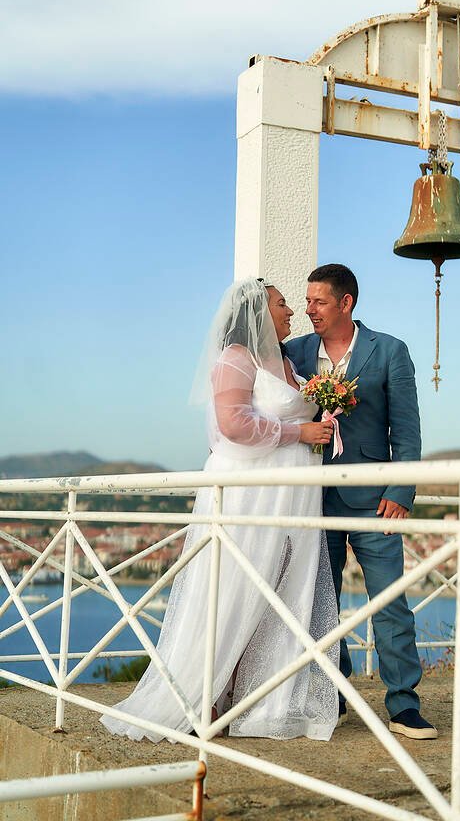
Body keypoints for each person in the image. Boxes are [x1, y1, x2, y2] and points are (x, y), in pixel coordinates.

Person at [101, 277, 338, 742]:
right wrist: (301, 434)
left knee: (280, 593)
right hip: (249, 492)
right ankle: (201, 696)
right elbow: (233, 425)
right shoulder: (236, 359)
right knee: (232, 588)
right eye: (281, 304)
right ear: (256, 315)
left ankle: (259, 701)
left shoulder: (287, 362)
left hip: (291, 495)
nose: (290, 311)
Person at [287, 264, 437, 739]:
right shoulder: (294, 353)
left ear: (346, 303)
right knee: (320, 603)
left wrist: (401, 490)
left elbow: (406, 430)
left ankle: (404, 704)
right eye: (307, 301)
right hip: (312, 496)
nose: (309, 310)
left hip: (374, 499)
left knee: (389, 602)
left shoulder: (390, 351)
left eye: (318, 302)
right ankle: (334, 693)